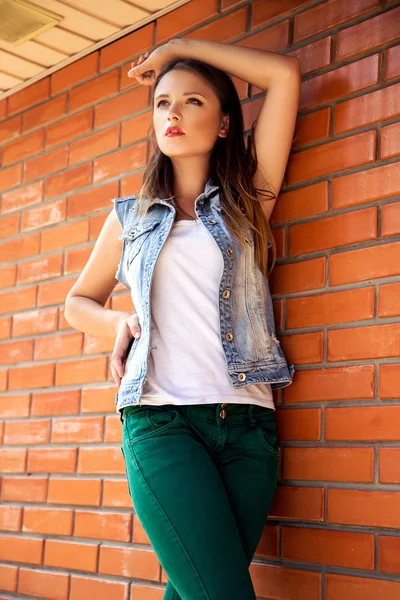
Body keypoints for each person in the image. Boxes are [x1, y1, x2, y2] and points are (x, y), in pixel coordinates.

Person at [65, 37, 301, 600]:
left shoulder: (249, 202)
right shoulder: (130, 218)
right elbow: (77, 303)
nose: (172, 112)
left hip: (247, 428)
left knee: (194, 591)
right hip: (162, 424)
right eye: (162, 102)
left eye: (193, 101)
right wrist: (118, 323)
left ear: (223, 124)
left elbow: (284, 76)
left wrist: (180, 46)